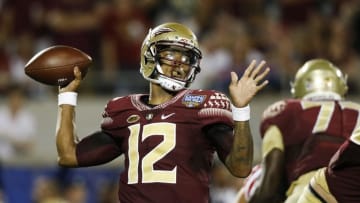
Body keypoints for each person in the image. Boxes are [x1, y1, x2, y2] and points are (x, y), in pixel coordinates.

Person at [54, 22, 270, 202]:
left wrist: (241, 109)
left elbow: (241, 168)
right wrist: (67, 96)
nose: (180, 65)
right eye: (172, 56)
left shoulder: (202, 105)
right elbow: (68, 155)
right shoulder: (123, 111)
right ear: (150, 56)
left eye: (187, 59)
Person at [237, 58, 355, 203]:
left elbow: (268, 189)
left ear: (298, 88)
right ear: (342, 87)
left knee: (254, 181)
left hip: (311, 192)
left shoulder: (285, 111)